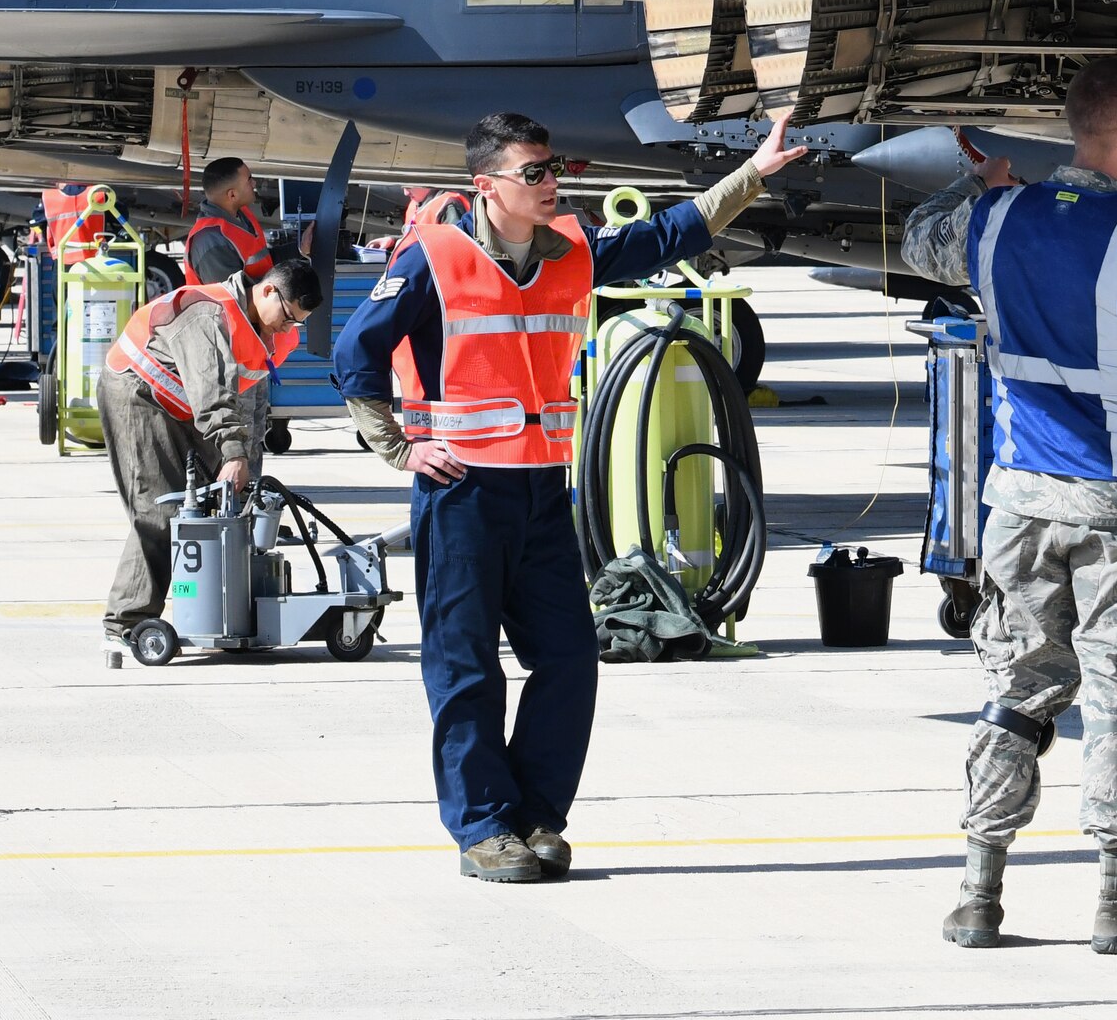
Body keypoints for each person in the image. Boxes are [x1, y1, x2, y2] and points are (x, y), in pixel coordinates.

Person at [333, 110, 805, 883]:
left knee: (570, 657)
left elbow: (671, 234)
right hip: (461, 497)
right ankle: (483, 827)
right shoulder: (433, 259)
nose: (552, 183)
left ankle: (536, 815)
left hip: (544, 494)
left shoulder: (574, 252)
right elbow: (356, 352)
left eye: (553, 168)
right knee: (466, 666)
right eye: (535, 173)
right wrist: (399, 447)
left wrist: (753, 171)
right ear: (486, 187)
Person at [899, 56, 1117, 955]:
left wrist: (979, 183)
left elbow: (916, 240)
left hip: (1021, 503)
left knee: (1015, 690)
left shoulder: (996, 219)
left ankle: (978, 891)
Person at [99, 253, 321, 643]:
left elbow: (244, 399)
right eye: (287, 316)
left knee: (219, 500)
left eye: (296, 322)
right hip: (139, 393)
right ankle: (126, 622)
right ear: (267, 290)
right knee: (162, 509)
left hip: (182, 403)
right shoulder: (206, 316)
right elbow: (212, 395)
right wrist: (233, 454)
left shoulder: (269, 329)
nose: (288, 328)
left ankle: (221, 610)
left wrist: (241, 462)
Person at [183, 157, 293, 285]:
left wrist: (300, 248)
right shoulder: (211, 241)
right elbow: (235, 298)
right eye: (249, 180)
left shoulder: (239, 215)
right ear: (232, 195)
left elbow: (263, 260)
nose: (254, 183)